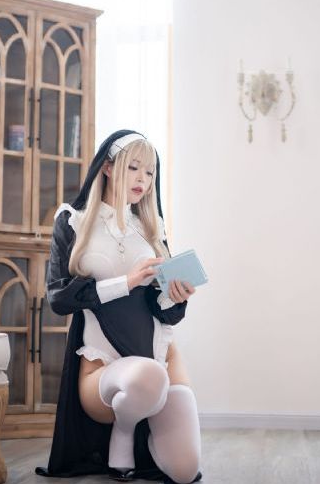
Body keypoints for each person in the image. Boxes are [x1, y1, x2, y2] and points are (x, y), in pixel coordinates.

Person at [36, 129, 202, 484]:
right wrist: (126, 282)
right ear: (108, 168)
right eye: (134, 168)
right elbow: (58, 298)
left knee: (185, 471)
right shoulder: (72, 220)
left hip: (162, 354)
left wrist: (174, 296)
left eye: (150, 172)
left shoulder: (152, 227)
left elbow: (163, 311)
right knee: (147, 376)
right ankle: (123, 432)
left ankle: (144, 431)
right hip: (103, 362)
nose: (143, 179)